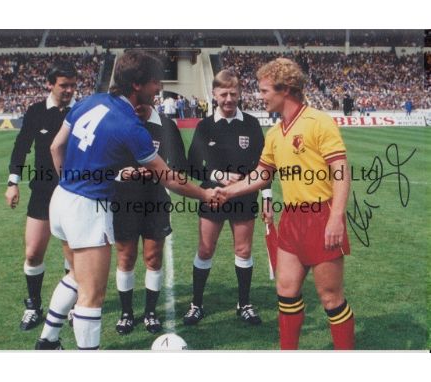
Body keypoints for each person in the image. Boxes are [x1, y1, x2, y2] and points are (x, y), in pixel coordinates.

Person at [35, 50, 217, 350]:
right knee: (91, 296)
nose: (158, 88)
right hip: (88, 207)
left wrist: (71, 181)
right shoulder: (130, 125)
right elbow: (168, 177)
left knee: (76, 276)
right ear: (137, 85)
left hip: (62, 199)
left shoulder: (89, 101)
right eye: (155, 82)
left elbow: (57, 146)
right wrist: (205, 193)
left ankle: (47, 342)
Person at [217, 58, 355, 350]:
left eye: (265, 90)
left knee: (330, 298)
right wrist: (228, 192)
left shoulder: (319, 122)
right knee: (286, 291)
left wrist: (336, 219)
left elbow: (341, 172)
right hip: (291, 221)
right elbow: (261, 174)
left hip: (322, 216)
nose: (260, 96)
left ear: (286, 90)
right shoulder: (274, 133)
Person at [184, 70, 270, 326]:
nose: (229, 99)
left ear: (240, 93)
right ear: (214, 95)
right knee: (205, 248)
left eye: (233, 93)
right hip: (213, 195)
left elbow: (265, 166)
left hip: (244, 197)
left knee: (243, 250)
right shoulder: (205, 126)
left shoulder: (252, 124)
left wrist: (267, 198)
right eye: (224, 94)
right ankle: (196, 304)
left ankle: (244, 303)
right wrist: (218, 174)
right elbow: (191, 166)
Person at [4, 61, 77, 331]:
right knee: (33, 252)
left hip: (73, 192)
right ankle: (33, 305)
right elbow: (21, 147)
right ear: (50, 84)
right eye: (63, 85)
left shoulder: (79, 112)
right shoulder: (36, 111)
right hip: (43, 191)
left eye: (72, 85)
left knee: (72, 257)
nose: (69, 90)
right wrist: (13, 182)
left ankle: (71, 304)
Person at [113, 105, 188, 335]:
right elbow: (105, 162)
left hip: (155, 199)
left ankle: (150, 312)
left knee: (153, 258)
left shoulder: (166, 126)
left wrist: (160, 172)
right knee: (126, 257)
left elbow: (180, 166)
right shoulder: (119, 123)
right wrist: (121, 173)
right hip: (125, 199)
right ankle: (126, 313)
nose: (136, 104)